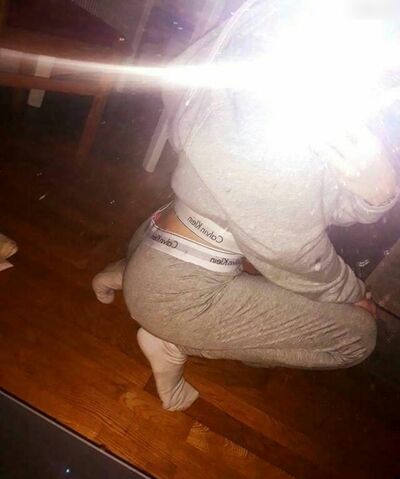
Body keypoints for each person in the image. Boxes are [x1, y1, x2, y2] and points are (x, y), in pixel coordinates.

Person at [93, 0, 399, 411]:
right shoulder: (287, 108)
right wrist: (350, 294)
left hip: (160, 237)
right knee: (358, 337)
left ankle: (130, 276)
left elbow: (302, 203)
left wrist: (375, 195)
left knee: (274, 260)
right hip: (178, 290)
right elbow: (288, 248)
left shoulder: (253, 45)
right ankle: (170, 338)